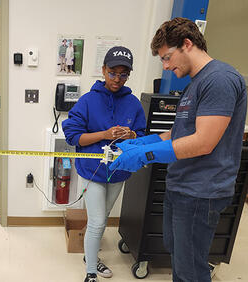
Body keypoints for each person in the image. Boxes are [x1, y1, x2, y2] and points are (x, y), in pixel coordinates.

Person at [110, 17, 247, 282]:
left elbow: (203, 142)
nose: (166, 65)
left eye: (167, 57)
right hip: (182, 185)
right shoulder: (194, 85)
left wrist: (144, 155)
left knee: (190, 270)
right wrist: (141, 142)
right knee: (178, 254)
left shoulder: (219, 79)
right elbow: (178, 134)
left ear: (187, 44)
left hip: (201, 191)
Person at [63, 46, 146, 282]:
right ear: (103, 70)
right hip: (92, 171)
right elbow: (73, 137)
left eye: (123, 74)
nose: (117, 79)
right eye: (112, 72)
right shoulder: (88, 101)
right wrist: (104, 134)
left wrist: (130, 135)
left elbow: (141, 135)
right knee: (98, 221)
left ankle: (89, 256)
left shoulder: (133, 103)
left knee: (102, 217)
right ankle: (90, 272)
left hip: (120, 171)